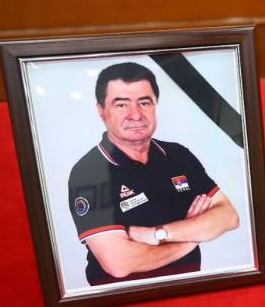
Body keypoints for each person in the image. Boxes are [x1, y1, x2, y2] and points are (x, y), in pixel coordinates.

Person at [67, 62, 239, 286]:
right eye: (121, 105)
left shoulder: (178, 155)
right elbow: (118, 263)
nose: (135, 115)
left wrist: (159, 234)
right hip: (125, 299)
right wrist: (192, 237)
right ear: (101, 110)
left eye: (144, 102)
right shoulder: (90, 173)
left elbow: (228, 216)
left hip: (189, 289)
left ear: (156, 105)